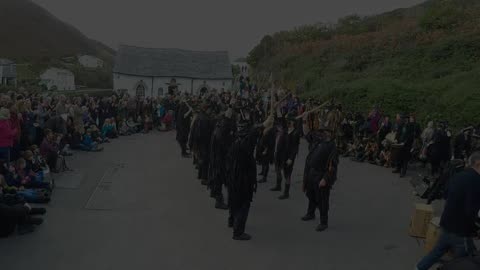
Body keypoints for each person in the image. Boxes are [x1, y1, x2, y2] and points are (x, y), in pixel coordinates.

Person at [415, 151, 480, 270]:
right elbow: (470, 209)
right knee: (464, 261)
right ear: (478, 163)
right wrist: (475, 228)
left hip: (446, 223)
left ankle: (419, 268)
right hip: (461, 230)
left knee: (437, 252)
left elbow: (446, 194)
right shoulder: (476, 180)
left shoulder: (459, 175)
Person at [227, 114, 274, 240]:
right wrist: (264, 123)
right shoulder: (245, 145)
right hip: (242, 179)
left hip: (233, 177)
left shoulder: (235, 142)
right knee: (243, 205)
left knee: (234, 201)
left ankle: (232, 221)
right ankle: (238, 232)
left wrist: (266, 125)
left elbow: (255, 134)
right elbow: (253, 134)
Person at [302, 124, 339, 232]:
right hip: (311, 172)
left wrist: (326, 179)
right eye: (323, 131)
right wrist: (305, 120)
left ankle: (324, 222)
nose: (324, 133)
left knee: (322, 199)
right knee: (310, 193)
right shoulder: (318, 141)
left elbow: (333, 167)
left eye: (327, 131)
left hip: (321, 174)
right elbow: (307, 134)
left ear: (331, 134)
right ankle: (311, 213)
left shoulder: (332, 147)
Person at [270, 116, 301, 200]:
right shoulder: (285, 130)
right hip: (280, 154)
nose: (288, 122)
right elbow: (281, 118)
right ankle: (278, 185)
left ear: (294, 122)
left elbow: (295, 147)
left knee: (287, 174)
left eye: (290, 121)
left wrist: (291, 158)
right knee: (278, 169)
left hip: (288, 156)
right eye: (288, 121)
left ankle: (286, 193)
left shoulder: (296, 133)